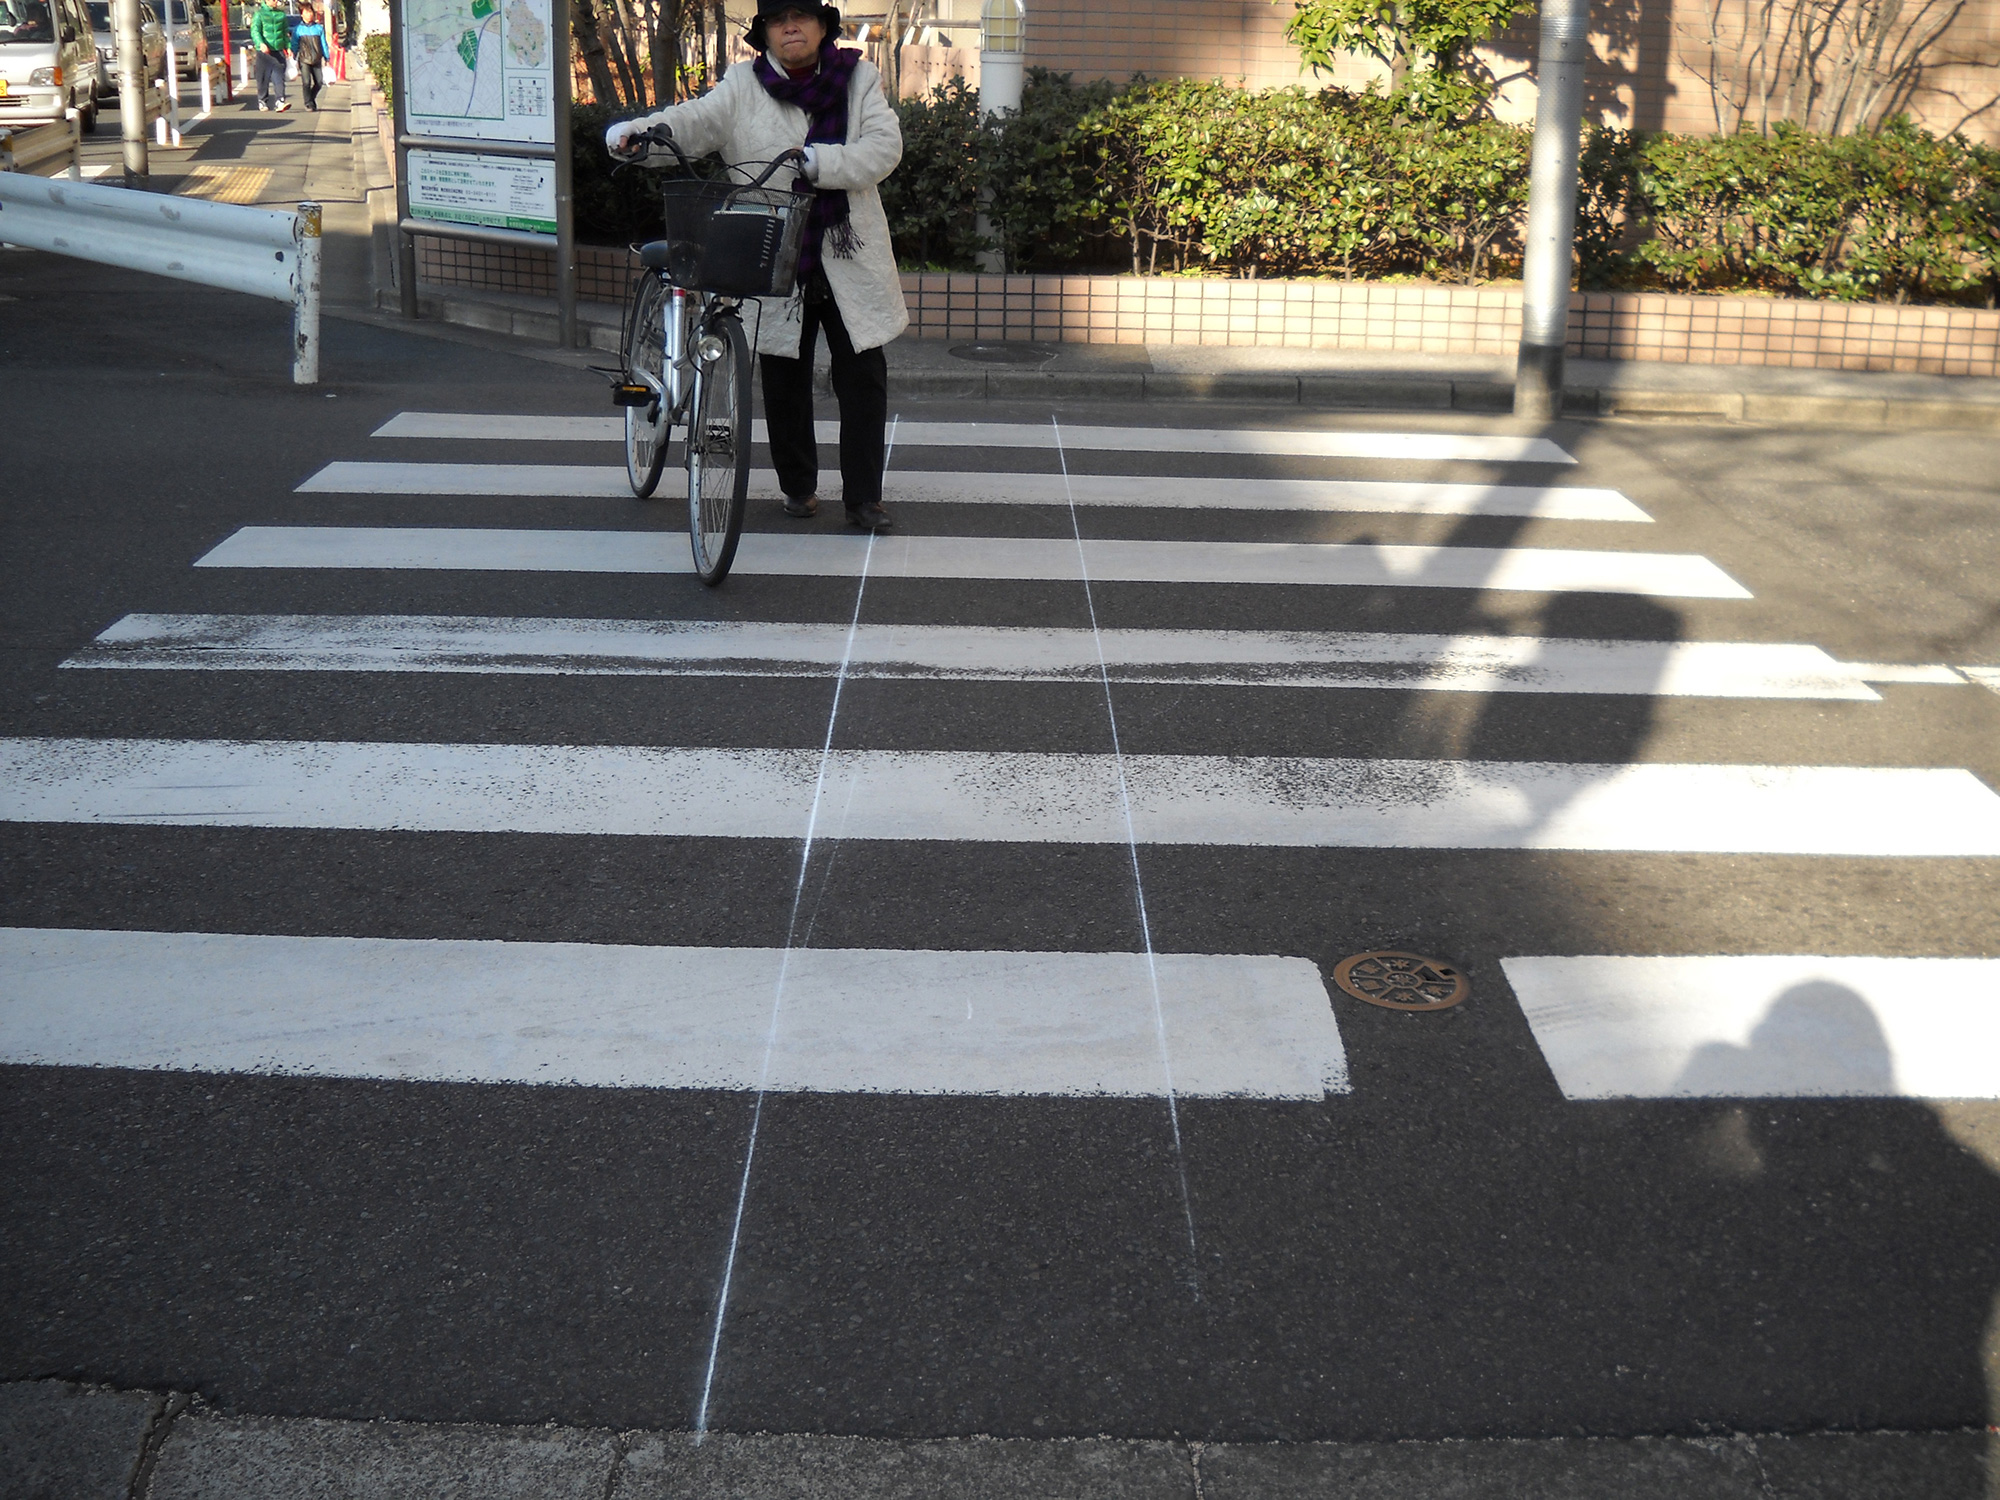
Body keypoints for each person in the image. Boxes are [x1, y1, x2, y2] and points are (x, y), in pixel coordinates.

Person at [606, 0, 906, 531]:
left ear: (823, 26)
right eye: (777, 19)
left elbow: (884, 148)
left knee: (862, 375)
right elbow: (694, 121)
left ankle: (864, 497)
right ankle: (799, 487)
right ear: (765, 33)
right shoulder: (742, 84)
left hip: (846, 249)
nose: (790, 26)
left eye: (802, 16)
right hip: (772, 244)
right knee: (782, 373)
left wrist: (820, 162)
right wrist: (641, 133)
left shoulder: (858, 78)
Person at [248, 0, 289, 110]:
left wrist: (288, 47)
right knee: (262, 78)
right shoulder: (259, 14)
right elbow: (255, 31)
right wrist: (260, 43)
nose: (276, 1)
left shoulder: (282, 15)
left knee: (279, 77)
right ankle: (262, 100)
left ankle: (280, 101)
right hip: (264, 52)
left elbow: (285, 33)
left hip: (278, 51)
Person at [291, 0, 325, 108]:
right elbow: (294, 44)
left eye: (310, 12)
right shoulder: (298, 29)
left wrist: (327, 57)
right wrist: (293, 56)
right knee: (306, 82)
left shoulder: (319, 28)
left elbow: (323, 43)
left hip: (317, 58)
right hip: (304, 59)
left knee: (319, 82)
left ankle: (311, 98)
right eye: (306, 12)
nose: (309, 14)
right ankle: (308, 103)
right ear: (301, 14)